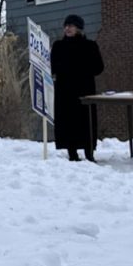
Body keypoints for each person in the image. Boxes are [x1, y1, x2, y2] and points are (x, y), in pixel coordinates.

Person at [50, 14, 104, 162]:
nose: (67, 28)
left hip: (84, 91)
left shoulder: (90, 46)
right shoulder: (58, 46)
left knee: (86, 121)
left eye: (71, 26)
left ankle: (89, 152)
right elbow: (52, 67)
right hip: (65, 92)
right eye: (66, 25)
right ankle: (71, 152)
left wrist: (82, 68)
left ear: (79, 28)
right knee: (68, 121)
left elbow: (99, 67)